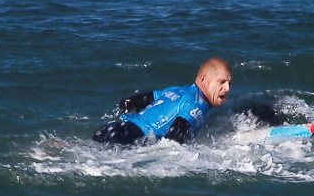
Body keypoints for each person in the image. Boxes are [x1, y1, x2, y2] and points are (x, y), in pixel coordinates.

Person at [92, 57, 232, 145]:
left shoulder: (176, 90)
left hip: (114, 128)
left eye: (229, 84)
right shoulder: (198, 104)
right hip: (129, 138)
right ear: (203, 80)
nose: (227, 88)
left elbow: (128, 103)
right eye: (221, 82)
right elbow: (175, 137)